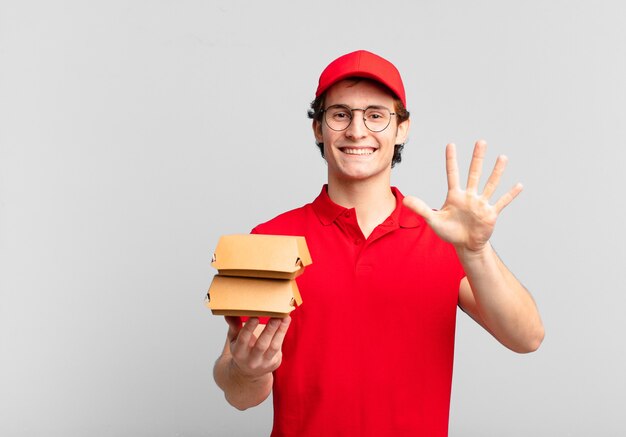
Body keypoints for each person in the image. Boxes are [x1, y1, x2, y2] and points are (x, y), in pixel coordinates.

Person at [213, 50, 544, 437]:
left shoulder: (443, 238)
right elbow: (238, 392)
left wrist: (475, 250)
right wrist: (247, 371)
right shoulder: (271, 238)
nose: (357, 130)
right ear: (318, 129)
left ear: (401, 128)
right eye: (340, 114)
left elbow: (527, 338)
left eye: (375, 114)